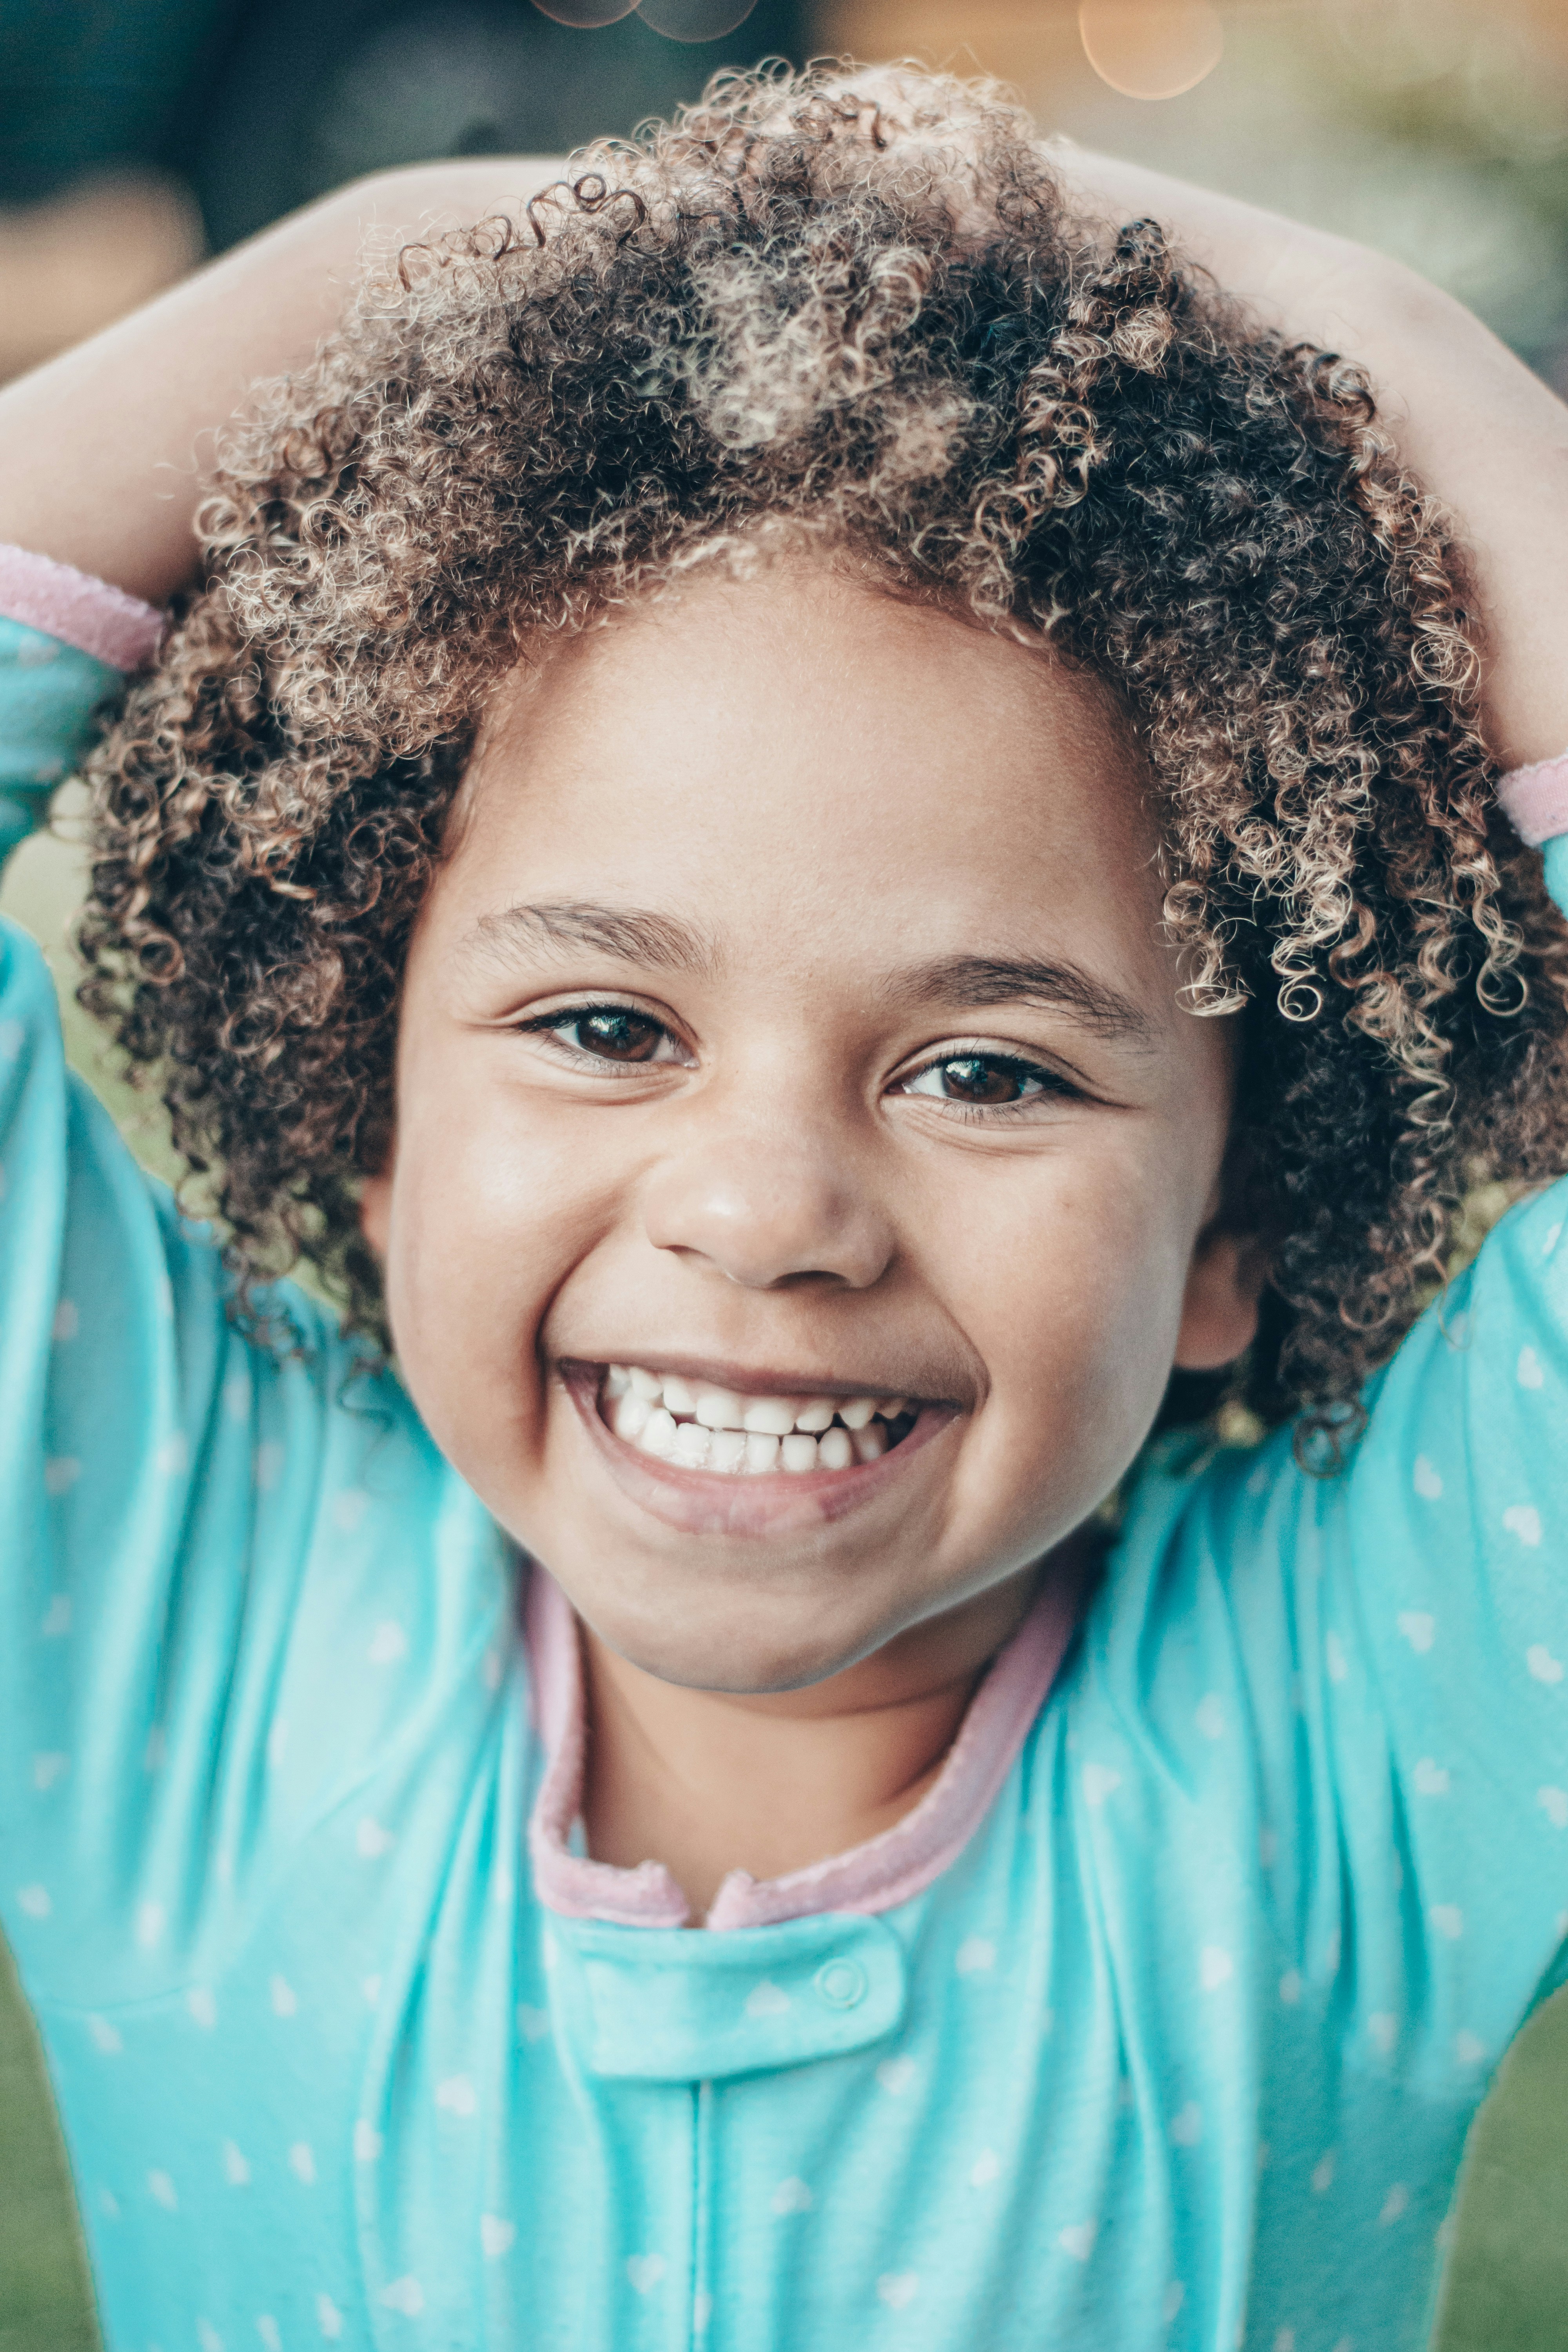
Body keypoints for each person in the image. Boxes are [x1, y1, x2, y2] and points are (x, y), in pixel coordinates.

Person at [2, 60, 1567, 2352]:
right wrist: (430, 252)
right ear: (363, 1081)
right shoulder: (173, 1607)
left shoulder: (1357, 1742)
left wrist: (1376, 337)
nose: (765, 1211)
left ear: (1245, 1213)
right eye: (606, 1027)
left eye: (988, 1069)